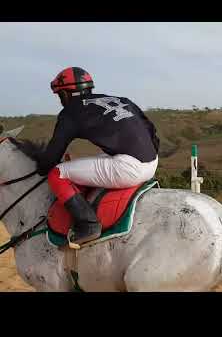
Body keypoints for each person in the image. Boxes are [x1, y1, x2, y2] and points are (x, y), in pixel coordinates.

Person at [37, 67, 160, 245]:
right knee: (84, 162)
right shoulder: (120, 99)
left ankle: (88, 224)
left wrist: (41, 166)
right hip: (152, 162)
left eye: (59, 95)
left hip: (130, 168)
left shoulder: (71, 111)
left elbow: (49, 161)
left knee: (57, 173)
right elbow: (151, 130)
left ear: (65, 94)